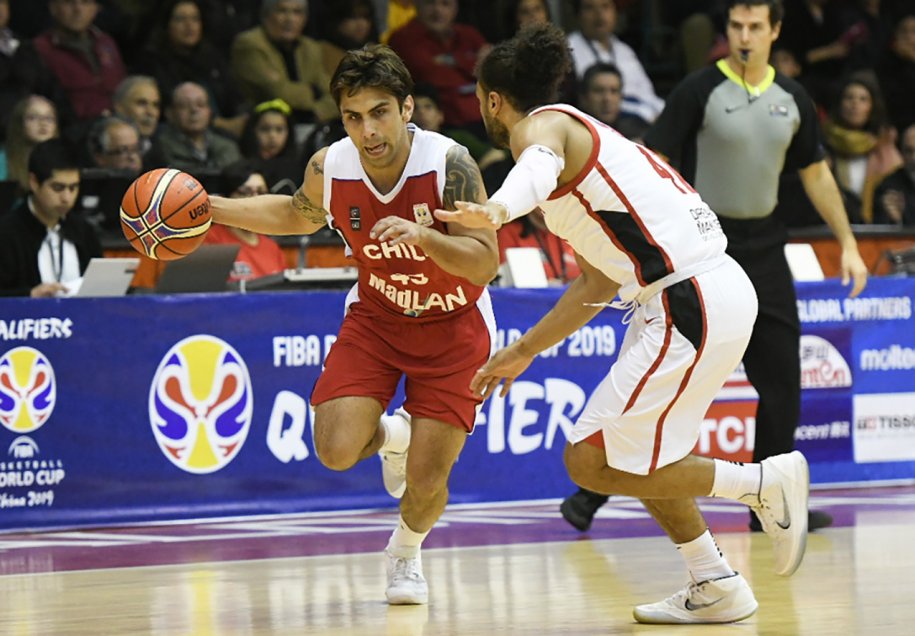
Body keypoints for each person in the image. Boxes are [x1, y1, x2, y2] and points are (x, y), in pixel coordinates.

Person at [437, 22, 811, 625]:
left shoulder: (543, 129)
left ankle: (761, 481)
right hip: (700, 295)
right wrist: (524, 349)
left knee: (589, 460)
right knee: (634, 457)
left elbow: (534, 164)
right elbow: (596, 282)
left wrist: (498, 208)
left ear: (493, 100)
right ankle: (714, 580)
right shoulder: (585, 154)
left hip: (688, 298)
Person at [560, 0, 870, 536]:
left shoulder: (793, 98)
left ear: (775, 31)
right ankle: (592, 491)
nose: (744, 36)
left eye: (755, 26)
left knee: (782, 380)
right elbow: (650, 162)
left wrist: (847, 241)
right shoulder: (699, 89)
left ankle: (770, 506)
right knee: (668, 385)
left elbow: (816, 173)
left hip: (766, 248)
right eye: (736, 26)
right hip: (704, 251)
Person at [208, 44, 499, 606]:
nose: (367, 130)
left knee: (428, 483)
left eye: (379, 112)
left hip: (455, 326)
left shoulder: (450, 163)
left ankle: (405, 553)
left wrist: (427, 238)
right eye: (353, 116)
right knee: (336, 449)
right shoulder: (331, 165)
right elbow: (296, 213)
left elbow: (485, 262)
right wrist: (212, 208)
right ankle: (395, 436)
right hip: (378, 319)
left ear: (407, 108)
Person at [0, 138, 101, 297]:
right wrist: (29, 295)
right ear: (34, 182)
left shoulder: (84, 231)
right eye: (58, 188)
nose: (67, 198)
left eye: (73, 188)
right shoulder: (6, 234)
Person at [388, 0, 490, 137]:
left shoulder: (469, 34)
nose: (437, 10)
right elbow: (432, 75)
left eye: (445, 4)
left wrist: (453, 60)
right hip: (440, 126)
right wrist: (470, 62)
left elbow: (489, 70)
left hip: (484, 121)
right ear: (417, 5)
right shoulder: (402, 38)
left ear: (455, 8)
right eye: (430, 3)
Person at [230, 0, 338, 124]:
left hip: (309, 123)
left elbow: (335, 95)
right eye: (282, 11)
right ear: (266, 15)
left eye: (297, 12)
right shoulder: (249, 44)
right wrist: (314, 92)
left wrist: (314, 113)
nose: (289, 19)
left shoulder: (310, 48)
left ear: (305, 19)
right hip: (262, 124)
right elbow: (278, 94)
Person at [565, 0, 665, 126]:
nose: (599, 14)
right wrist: (646, 113)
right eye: (589, 8)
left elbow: (648, 94)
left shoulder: (625, 50)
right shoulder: (569, 49)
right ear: (578, 15)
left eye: (605, 7)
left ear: (615, 13)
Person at [822, 71, 902, 222]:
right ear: (839, 104)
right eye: (849, 98)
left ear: (872, 107)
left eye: (863, 99)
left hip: (877, 229)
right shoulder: (824, 147)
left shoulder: (887, 151)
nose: (855, 104)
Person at [33, 0, 127, 122]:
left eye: (85, 2)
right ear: (53, 8)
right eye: (69, 2)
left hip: (119, 124)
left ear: (96, 8)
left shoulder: (106, 42)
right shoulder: (40, 49)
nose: (78, 10)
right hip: (73, 127)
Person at [204, 161, 287, 282]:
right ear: (226, 198)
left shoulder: (272, 248)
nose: (256, 200)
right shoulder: (209, 240)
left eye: (261, 192)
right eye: (246, 192)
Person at [157, 81, 242, 175]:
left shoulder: (228, 147)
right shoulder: (160, 148)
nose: (194, 110)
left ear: (209, 111)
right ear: (169, 113)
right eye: (184, 105)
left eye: (200, 104)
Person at [3, 95, 59, 191]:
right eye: (33, 117)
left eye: (49, 118)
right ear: (20, 123)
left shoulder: (65, 159)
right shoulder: (3, 160)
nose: (43, 123)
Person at [873, 122, 915, 225]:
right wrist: (895, 220)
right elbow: (879, 227)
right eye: (908, 151)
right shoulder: (888, 187)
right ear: (901, 152)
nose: (913, 158)